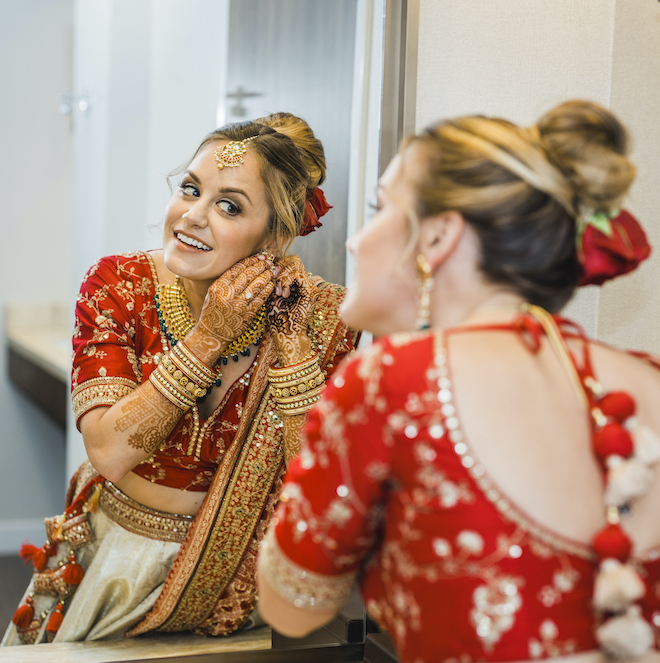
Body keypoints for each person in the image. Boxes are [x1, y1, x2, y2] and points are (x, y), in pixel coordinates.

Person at [257, 101, 660, 663]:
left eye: (379, 210)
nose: (355, 241)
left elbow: (291, 607)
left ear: (438, 236)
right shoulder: (647, 376)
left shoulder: (391, 381)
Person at [3, 112, 359, 646]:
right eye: (190, 189)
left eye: (228, 205)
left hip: (241, 582)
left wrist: (292, 347)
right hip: (116, 562)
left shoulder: (320, 317)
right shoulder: (119, 284)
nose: (190, 216)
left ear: (278, 234)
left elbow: (318, 489)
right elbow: (108, 450)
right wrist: (208, 338)